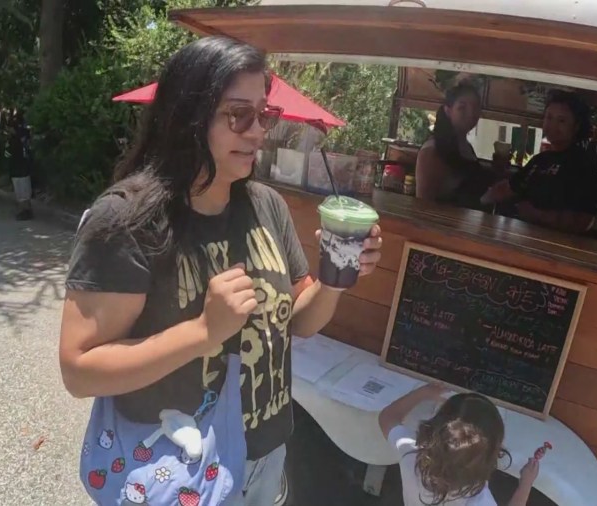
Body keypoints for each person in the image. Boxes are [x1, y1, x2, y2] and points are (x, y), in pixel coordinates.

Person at [58, 37, 383, 505]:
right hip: (178, 464)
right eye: (239, 115)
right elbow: (80, 369)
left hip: (267, 454)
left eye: (263, 115)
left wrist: (335, 278)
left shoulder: (266, 204)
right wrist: (205, 331)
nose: (258, 132)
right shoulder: (127, 220)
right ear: (188, 117)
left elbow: (298, 322)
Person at [379, 384, 540, 506]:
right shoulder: (480, 501)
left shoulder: (412, 455)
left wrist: (422, 393)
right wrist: (525, 484)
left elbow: (387, 417)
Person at [483, 90, 597, 234]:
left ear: (576, 126)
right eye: (549, 117)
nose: (552, 125)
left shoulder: (582, 163)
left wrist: (536, 214)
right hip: (525, 236)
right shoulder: (540, 160)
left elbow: (584, 220)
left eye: (561, 120)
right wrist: (479, 199)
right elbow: (510, 187)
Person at [415, 83, 495, 210]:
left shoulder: (467, 147)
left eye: (475, 108)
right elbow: (424, 205)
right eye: (462, 108)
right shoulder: (433, 150)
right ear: (448, 111)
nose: (470, 113)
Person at [5, 111, 34, 220]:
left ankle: (23, 211)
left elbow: (7, 155)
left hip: (16, 169)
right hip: (25, 167)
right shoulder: (25, 136)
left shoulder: (12, 140)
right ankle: (28, 210)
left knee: (20, 191)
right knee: (26, 190)